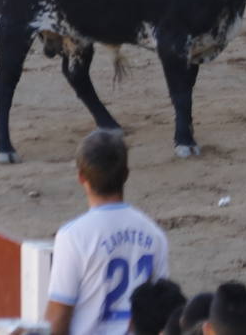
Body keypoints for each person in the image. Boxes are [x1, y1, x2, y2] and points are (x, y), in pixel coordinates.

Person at [43, 130, 170, 335]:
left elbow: (60, 313)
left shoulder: (73, 236)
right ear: (126, 174)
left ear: (81, 177)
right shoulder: (154, 234)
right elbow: (163, 308)